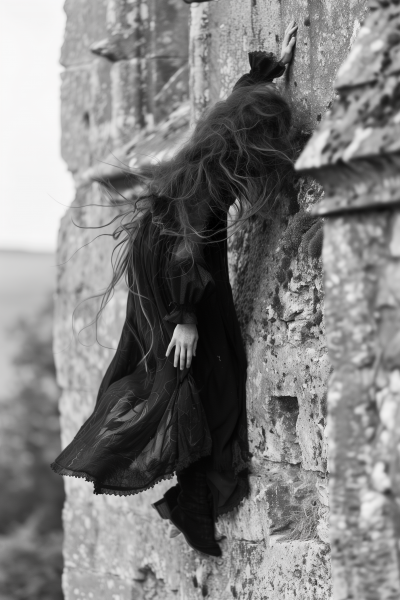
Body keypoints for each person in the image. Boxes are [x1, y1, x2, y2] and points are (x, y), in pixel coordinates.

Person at [51, 21, 298, 557]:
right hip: (175, 276)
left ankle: (190, 495)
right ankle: (190, 498)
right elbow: (184, 244)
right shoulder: (214, 172)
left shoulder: (215, 145)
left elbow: (238, 103)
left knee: (191, 374)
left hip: (165, 265)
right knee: (206, 373)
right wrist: (183, 315)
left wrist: (266, 71)